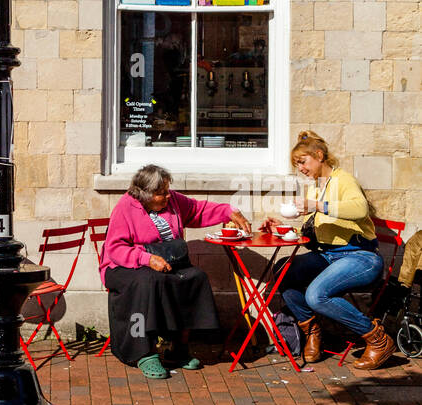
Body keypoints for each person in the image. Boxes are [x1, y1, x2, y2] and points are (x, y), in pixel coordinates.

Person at [100, 164, 252, 379]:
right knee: (147, 282)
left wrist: (228, 211)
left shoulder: (173, 201)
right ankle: (145, 352)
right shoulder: (126, 207)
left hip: (165, 262)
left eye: (167, 191)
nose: (167, 196)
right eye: (161, 193)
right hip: (123, 266)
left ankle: (179, 348)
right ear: (145, 194)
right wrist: (146, 258)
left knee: (194, 277)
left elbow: (198, 209)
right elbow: (115, 248)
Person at [262, 129, 394, 371]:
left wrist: (316, 205)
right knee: (284, 271)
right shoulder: (316, 187)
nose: (300, 168)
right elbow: (314, 231)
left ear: (319, 155)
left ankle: (377, 338)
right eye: (296, 164)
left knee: (316, 295)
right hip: (328, 256)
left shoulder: (344, 180)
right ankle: (311, 329)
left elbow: (359, 209)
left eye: (302, 162)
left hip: (360, 256)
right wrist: (279, 227)